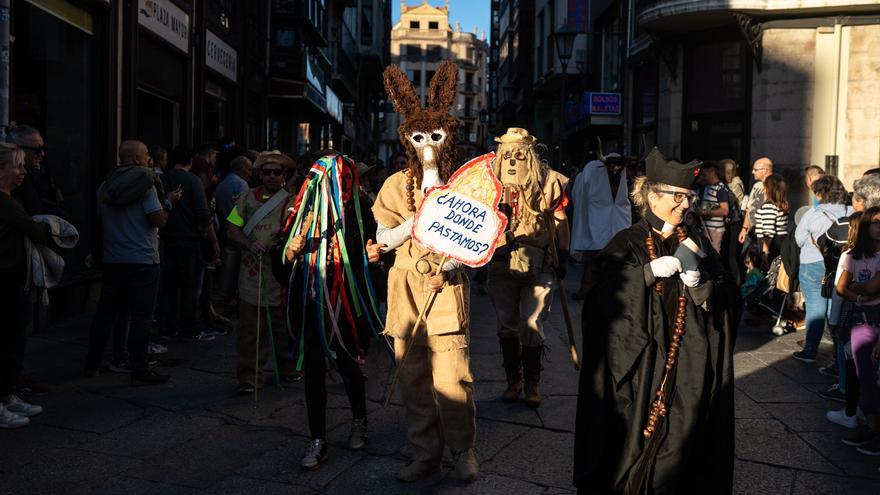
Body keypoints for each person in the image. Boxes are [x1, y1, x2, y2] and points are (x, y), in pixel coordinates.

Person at [574, 147, 739, 493]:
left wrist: (704, 289)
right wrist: (644, 275)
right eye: (677, 197)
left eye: (689, 198)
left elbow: (728, 290)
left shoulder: (696, 242)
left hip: (689, 367)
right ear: (650, 194)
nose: (685, 205)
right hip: (642, 370)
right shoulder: (625, 243)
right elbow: (600, 302)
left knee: (684, 445)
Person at [375, 61, 478, 482]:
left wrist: (450, 266)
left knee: (453, 377)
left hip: (444, 285)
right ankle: (425, 453)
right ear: (408, 140)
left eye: (434, 136)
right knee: (413, 377)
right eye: (419, 138)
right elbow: (384, 237)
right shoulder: (395, 185)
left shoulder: (465, 185)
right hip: (405, 287)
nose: (427, 146)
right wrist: (412, 223)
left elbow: (477, 242)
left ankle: (463, 451)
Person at [279, 153, 384, 470]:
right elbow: (281, 259)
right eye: (332, 179)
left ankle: (359, 420)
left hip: (346, 305)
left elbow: (375, 251)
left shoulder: (361, 209)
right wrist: (289, 251)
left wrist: (374, 257)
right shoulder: (302, 211)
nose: (338, 184)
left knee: (350, 365)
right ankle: (317, 439)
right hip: (311, 301)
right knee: (312, 370)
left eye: (343, 178)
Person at [486, 128, 570, 407]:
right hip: (500, 263)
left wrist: (564, 254)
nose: (512, 159)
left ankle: (533, 384)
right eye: (507, 153)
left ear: (530, 154)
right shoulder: (487, 184)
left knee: (532, 323)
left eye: (519, 153)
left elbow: (560, 220)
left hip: (539, 262)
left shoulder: (549, 182)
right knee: (506, 327)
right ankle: (514, 381)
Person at [85, 140, 179, 385]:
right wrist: (167, 204)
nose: (149, 159)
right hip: (143, 258)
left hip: (114, 258)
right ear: (137, 159)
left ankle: (93, 362)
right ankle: (139, 368)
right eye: (147, 155)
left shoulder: (104, 186)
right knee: (141, 316)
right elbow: (157, 219)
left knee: (107, 313)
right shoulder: (146, 186)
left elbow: (100, 219)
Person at [225, 151, 299, 394]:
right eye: (266, 172)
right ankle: (249, 378)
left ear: (284, 175)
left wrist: (282, 244)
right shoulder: (245, 199)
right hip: (251, 274)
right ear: (259, 174)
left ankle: (289, 369)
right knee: (250, 331)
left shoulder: (292, 202)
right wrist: (249, 244)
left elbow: (300, 231)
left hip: (280, 275)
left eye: (276, 172)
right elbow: (231, 229)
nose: (271, 176)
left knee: (283, 328)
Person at [0, 143, 51, 428]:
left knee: (12, 340)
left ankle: (7, 395)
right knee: (6, 340)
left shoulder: (12, 197)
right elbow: (36, 231)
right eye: (16, 166)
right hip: (5, 279)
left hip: (13, 279)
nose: (22, 171)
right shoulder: (4, 200)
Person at [158, 146, 218, 342]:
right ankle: (190, 327)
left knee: (169, 286)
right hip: (190, 240)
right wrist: (213, 240)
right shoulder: (193, 181)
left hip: (167, 238)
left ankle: (168, 325)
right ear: (190, 161)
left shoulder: (163, 179)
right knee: (191, 286)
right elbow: (203, 214)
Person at [833, 207, 880, 455]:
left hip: (876, 319)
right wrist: (860, 295)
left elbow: (873, 287)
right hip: (861, 319)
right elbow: (841, 287)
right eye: (875, 223)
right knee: (865, 376)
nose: (879, 227)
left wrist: (857, 288)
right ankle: (872, 429)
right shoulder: (854, 255)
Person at [793, 175, 852, 363]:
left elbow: (800, 240)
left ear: (820, 194)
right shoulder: (850, 211)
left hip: (812, 263)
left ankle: (810, 351)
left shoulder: (813, 214)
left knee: (815, 308)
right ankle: (838, 355)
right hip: (842, 266)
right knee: (837, 308)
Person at [570, 142, 631, 299]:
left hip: (615, 219)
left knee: (616, 259)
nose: (615, 170)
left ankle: (612, 290)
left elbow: (621, 198)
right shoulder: (593, 169)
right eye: (612, 167)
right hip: (595, 218)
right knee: (594, 257)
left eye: (618, 168)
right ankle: (586, 289)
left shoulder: (619, 176)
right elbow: (585, 192)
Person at [215, 155, 253, 305]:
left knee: (227, 269)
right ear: (241, 168)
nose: (251, 173)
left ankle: (226, 297)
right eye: (249, 169)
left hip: (225, 230)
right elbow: (245, 212)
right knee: (236, 270)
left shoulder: (222, 183)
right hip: (238, 233)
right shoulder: (242, 184)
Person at [6, 125, 62, 217]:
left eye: (42, 149)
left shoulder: (34, 173)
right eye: (37, 150)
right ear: (17, 148)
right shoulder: (11, 178)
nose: (42, 154)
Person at [696, 160, 730, 254]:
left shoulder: (720, 188)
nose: (703, 177)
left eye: (704, 174)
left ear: (712, 172)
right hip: (705, 228)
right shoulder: (707, 187)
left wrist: (705, 212)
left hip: (715, 230)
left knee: (714, 254)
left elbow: (724, 210)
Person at [754, 173, 789, 264]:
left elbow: (768, 232)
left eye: (764, 187)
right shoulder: (781, 205)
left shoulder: (768, 206)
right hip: (781, 242)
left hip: (771, 245)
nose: (763, 189)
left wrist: (765, 252)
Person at [738, 157, 773, 244]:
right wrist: (744, 228)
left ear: (764, 170)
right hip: (751, 232)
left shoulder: (775, 186)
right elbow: (750, 208)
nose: (752, 172)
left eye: (755, 169)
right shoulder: (757, 185)